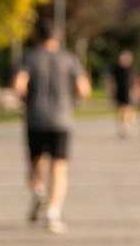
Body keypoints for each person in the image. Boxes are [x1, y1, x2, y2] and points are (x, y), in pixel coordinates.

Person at [12, 16, 88, 234]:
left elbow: (18, 86)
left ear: (36, 35)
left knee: (36, 162)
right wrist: (69, 95)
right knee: (59, 166)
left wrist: (28, 98)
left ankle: (37, 190)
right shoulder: (69, 59)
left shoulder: (29, 57)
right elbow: (83, 89)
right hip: (61, 119)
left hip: (35, 118)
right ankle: (53, 212)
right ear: (58, 36)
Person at [110, 49, 139, 138]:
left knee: (128, 107)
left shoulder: (131, 69)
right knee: (121, 107)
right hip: (120, 90)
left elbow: (134, 80)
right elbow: (113, 80)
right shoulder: (117, 69)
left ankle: (127, 123)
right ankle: (122, 124)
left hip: (128, 90)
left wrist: (136, 89)